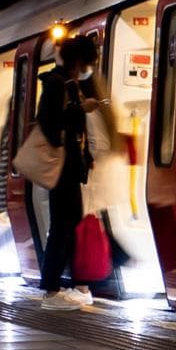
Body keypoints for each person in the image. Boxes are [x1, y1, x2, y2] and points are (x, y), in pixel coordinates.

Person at [34, 32, 115, 305]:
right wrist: (82, 109)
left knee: (69, 225)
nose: (87, 70)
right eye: (86, 64)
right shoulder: (57, 84)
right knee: (62, 227)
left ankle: (70, 286)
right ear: (78, 61)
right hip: (60, 167)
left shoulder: (65, 83)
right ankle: (52, 290)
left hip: (68, 167)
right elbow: (49, 122)